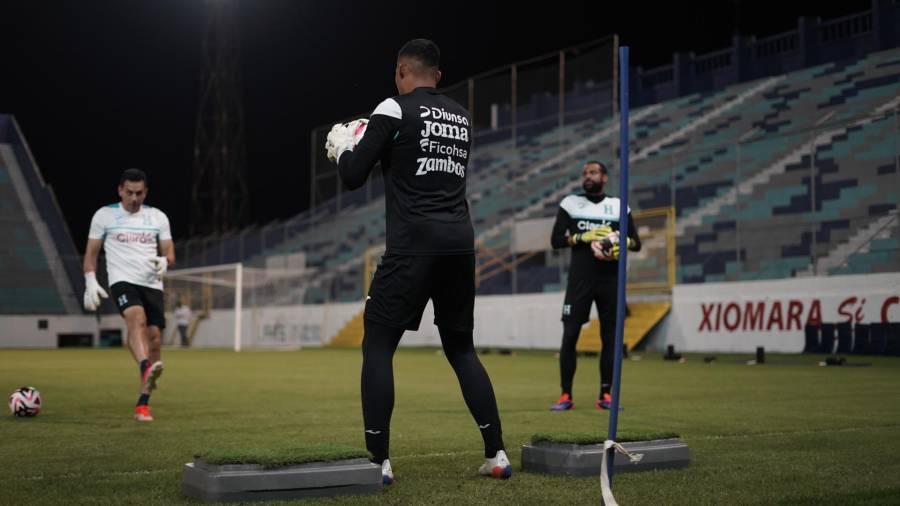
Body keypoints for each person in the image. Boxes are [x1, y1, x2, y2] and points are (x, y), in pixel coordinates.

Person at [327, 38, 510, 484]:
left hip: (413, 244)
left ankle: (378, 461)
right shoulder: (461, 117)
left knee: (378, 344)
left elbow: (353, 177)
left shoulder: (392, 107)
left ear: (400, 71)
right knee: (462, 348)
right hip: (459, 243)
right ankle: (497, 453)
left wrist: (342, 149)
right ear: (439, 76)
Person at [82, 168, 174, 422]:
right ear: (120, 190)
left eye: (139, 193)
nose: (134, 198)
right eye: (130, 193)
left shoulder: (157, 217)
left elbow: (170, 252)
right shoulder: (104, 215)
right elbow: (90, 254)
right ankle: (145, 367)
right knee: (137, 319)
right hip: (122, 280)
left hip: (152, 283)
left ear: (146, 192)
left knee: (154, 339)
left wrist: (166, 262)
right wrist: (90, 279)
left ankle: (143, 403)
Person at [549, 161, 641, 411]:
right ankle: (565, 394)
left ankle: (605, 395)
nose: (587, 176)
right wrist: (582, 237)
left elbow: (636, 242)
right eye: (584, 173)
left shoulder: (619, 206)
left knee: (610, 338)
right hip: (580, 281)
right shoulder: (570, 204)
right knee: (570, 336)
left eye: (592, 172)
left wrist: (623, 242)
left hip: (610, 281)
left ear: (604, 177)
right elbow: (556, 240)